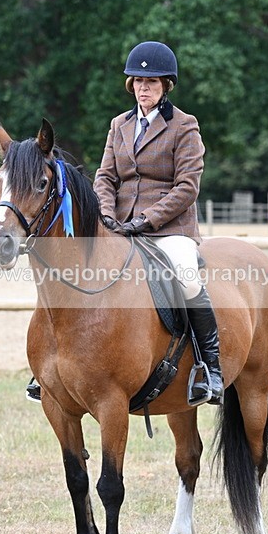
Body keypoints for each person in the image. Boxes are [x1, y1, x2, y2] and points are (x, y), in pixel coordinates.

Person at [93, 41, 223, 405]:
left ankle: (210, 369)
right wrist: (107, 215)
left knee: (186, 277)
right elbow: (105, 177)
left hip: (168, 229)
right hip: (119, 225)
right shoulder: (119, 125)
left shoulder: (184, 126)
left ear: (166, 85)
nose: (143, 88)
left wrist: (145, 220)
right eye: (138, 81)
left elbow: (187, 187)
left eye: (151, 82)